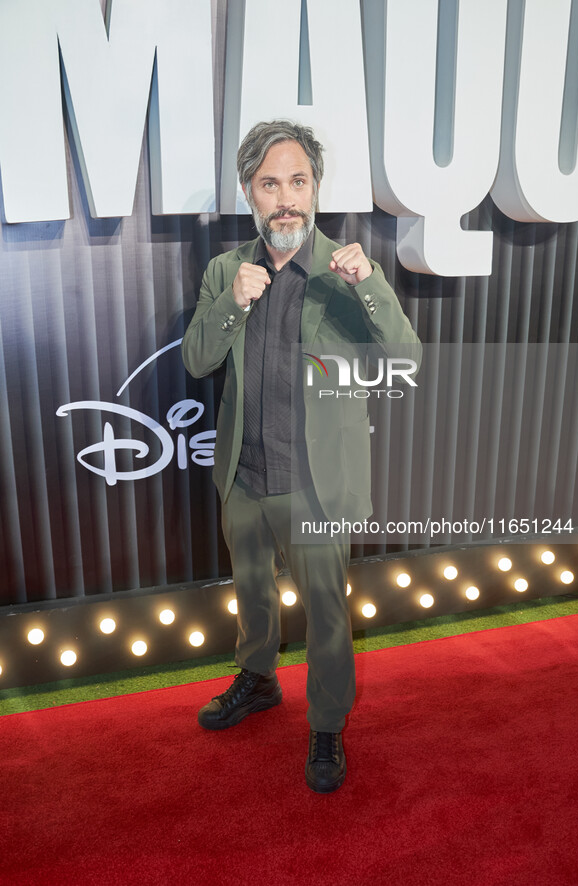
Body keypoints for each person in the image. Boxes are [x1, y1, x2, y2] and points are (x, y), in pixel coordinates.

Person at [182, 120, 421, 793]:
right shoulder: (225, 271)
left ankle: (325, 725)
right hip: (244, 478)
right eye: (268, 183)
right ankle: (257, 679)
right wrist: (231, 305)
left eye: (297, 180)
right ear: (249, 193)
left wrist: (370, 282)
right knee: (252, 593)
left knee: (325, 610)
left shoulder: (346, 272)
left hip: (316, 485)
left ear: (314, 188)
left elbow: (405, 362)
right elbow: (197, 361)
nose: (284, 197)